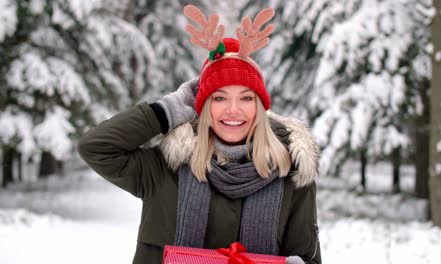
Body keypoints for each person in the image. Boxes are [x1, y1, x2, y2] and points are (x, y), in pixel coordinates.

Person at [78, 5, 321, 264]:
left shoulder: (290, 174)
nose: (233, 110)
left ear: (260, 107)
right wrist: (166, 111)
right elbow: (96, 147)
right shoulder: (163, 167)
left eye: (246, 98)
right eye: (219, 98)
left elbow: (307, 257)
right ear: (203, 106)